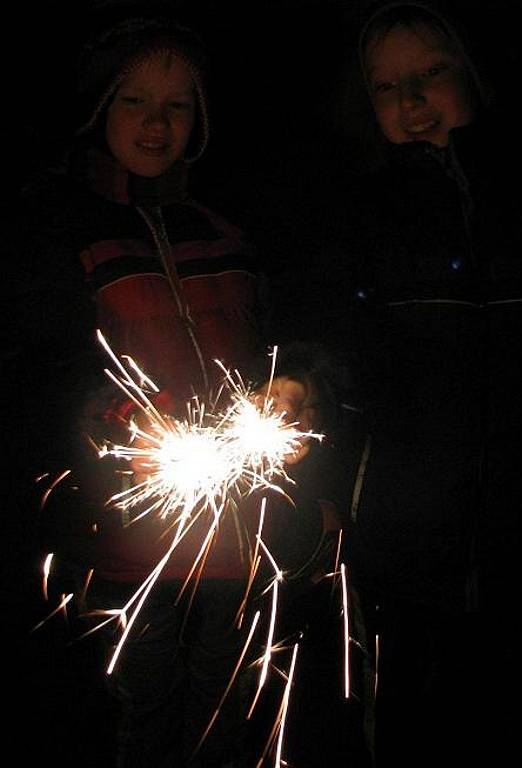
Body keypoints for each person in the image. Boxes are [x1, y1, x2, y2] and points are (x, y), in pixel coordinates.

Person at [7, 13, 340, 768]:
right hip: (125, 548)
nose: (157, 124)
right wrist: (126, 424)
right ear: (99, 109)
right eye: (135, 102)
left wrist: (293, 393)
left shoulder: (227, 233)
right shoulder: (61, 233)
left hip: (238, 540)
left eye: (177, 105)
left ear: (202, 118)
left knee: (227, 718)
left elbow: (283, 346)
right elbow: (51, 377)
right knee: (136, 718)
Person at [309, 1, 522, 764]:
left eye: (430, 74)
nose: (411, 101)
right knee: (412, 716)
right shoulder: (364, 214)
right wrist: (308, 388)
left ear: (474, 72)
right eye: (387, 86)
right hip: (405, 529)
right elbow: (338, 345)